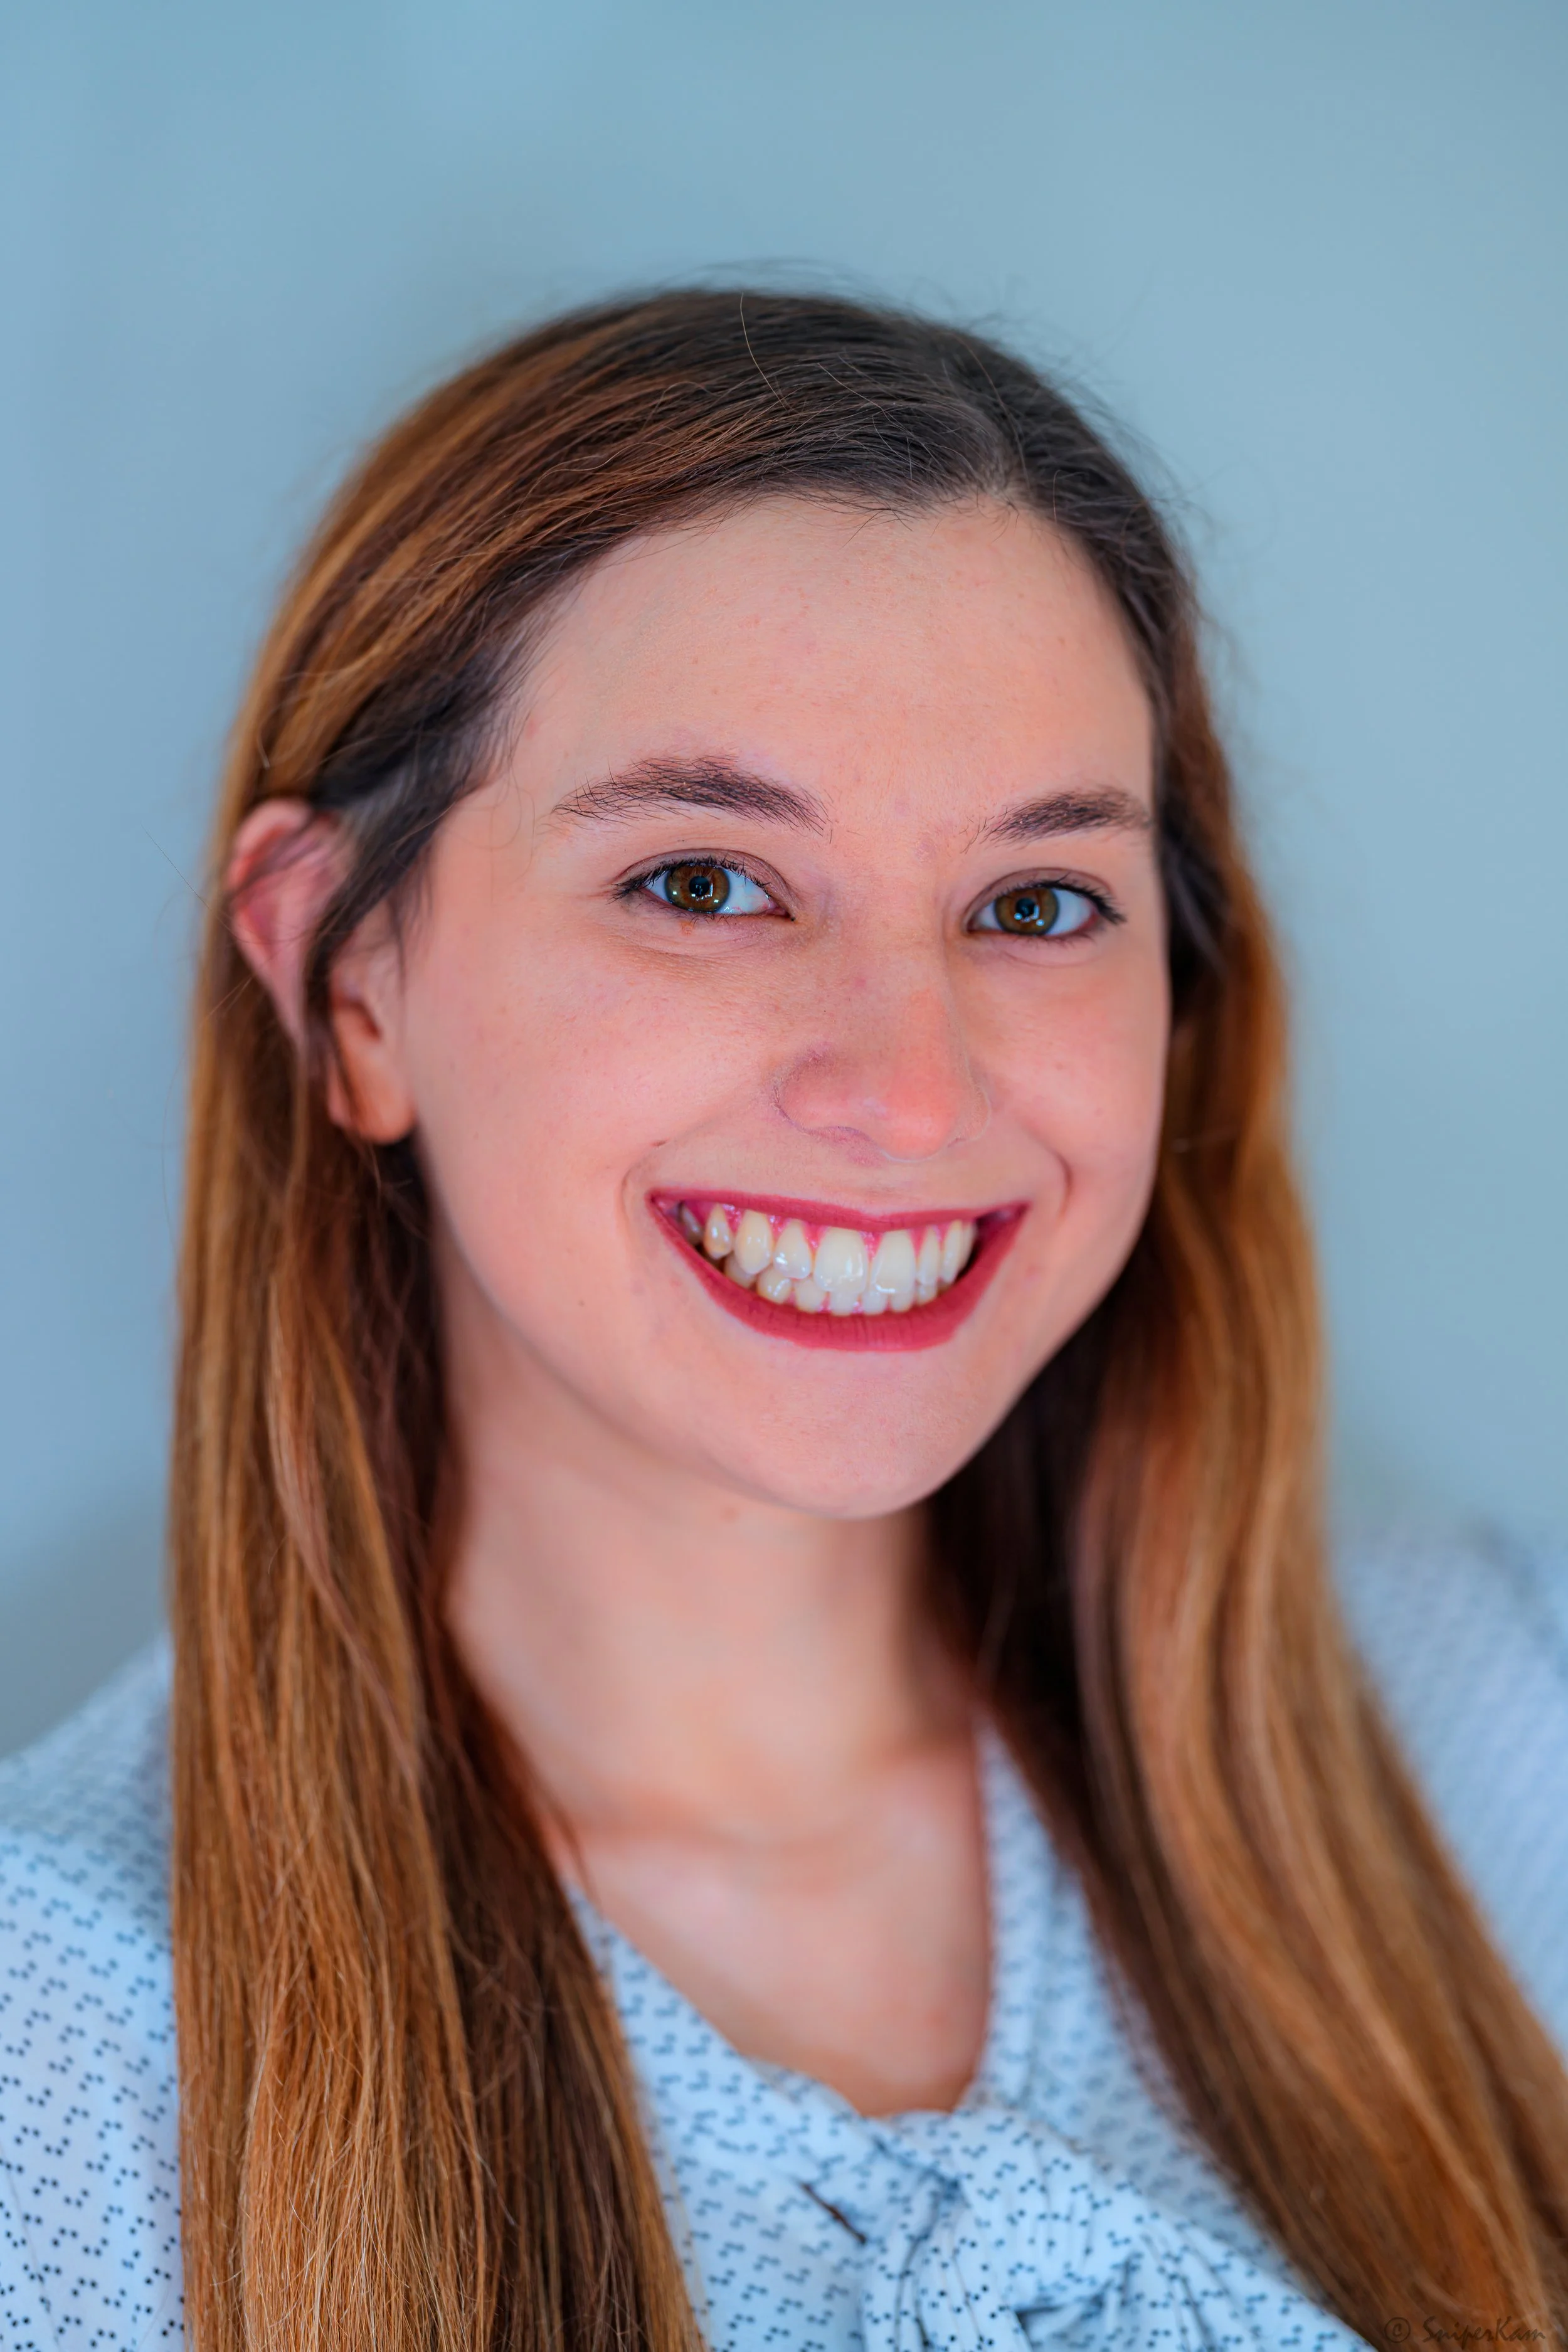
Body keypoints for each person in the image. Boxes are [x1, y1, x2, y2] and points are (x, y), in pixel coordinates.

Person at [2, 290, 1566, 2352]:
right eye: (707, 881)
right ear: (346, 978)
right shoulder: (64, 2069)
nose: (909, 1092)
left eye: (1035, 905)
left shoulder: (1494, 1729)